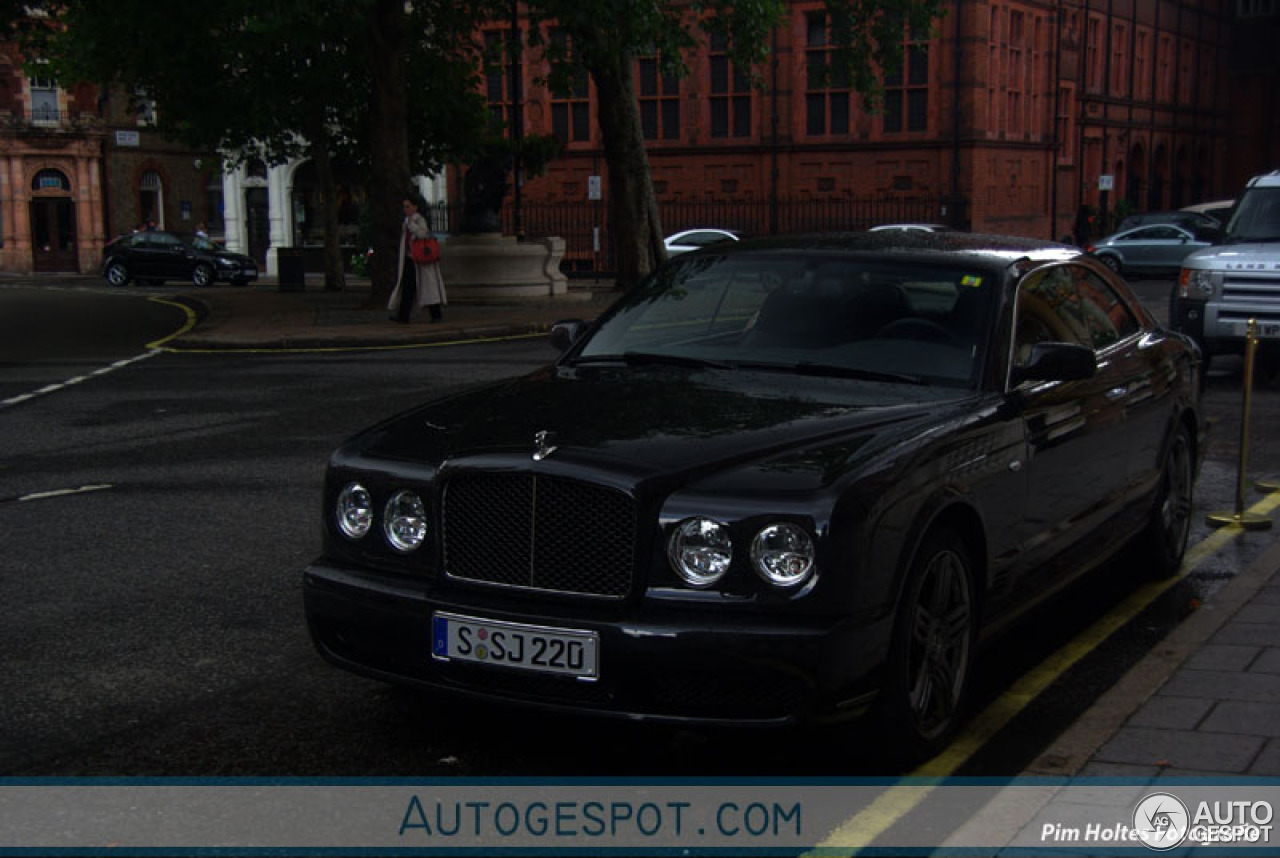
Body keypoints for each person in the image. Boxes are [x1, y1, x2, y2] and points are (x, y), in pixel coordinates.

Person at [387, 194, 446, 323]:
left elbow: (422, 233)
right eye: (404, 207)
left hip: (421, 260)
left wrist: (411, 225)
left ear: (415, 207)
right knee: (408, 288)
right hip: (410, 258)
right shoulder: (406, 221)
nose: (405, 209)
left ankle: (436, 315)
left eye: (408, 206)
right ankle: (403, 315)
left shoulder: (419, 220)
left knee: (428, 287)